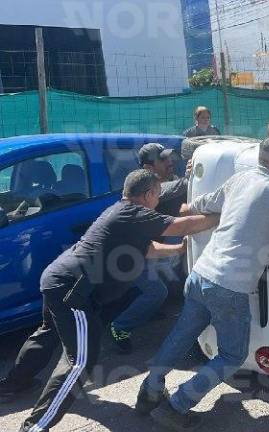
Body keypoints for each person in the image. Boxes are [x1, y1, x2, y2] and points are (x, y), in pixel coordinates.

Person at [136, 134, 269, 430]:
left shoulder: (242, 179)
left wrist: (188, 211)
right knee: (232, 355)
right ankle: (177, 404)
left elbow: (203, 203)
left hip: (201, 274)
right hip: (228, 287)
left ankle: (149, 392)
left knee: (181, 336)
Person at [13, 170, 219, 432]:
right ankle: (33, 427)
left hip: (58, 280)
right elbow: (183, 225)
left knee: (50, 337)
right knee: (80, 362)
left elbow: (147, 249)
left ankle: (14, 383)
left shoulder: (123, 212)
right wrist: (223, 216)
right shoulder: (134, 213)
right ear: (148, 195)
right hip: (72, 290)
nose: (158, 200)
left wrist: (179, 249)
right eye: (157, 195)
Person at [108, 143, 190, 353]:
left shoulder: (165, 182)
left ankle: (148, 310)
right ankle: (120, 327)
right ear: (148, 168)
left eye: (169, 158)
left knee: (161, 282)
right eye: (163, 160)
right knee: (156, 292)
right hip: (130, 254)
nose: (169, 162)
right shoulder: (145, 190)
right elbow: (175, 190)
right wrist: (194, 177)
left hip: (148, 250)